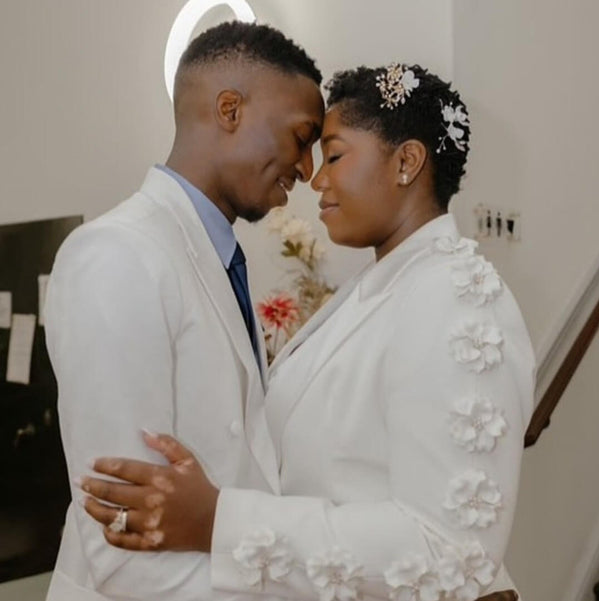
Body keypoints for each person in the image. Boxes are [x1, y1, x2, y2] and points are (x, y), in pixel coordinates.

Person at [80, 62, 533, 601]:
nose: (315, 180)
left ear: (407, 162)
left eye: (334, 155)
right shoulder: (381, 285)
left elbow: (449, 552)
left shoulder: (458, 302)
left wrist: (218, 522)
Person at [43, 21, 324, 601]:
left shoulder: (217, 254)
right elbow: (120, 542)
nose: (308, 169)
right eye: (302, 136)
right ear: (229, 110)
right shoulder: (117, 254)